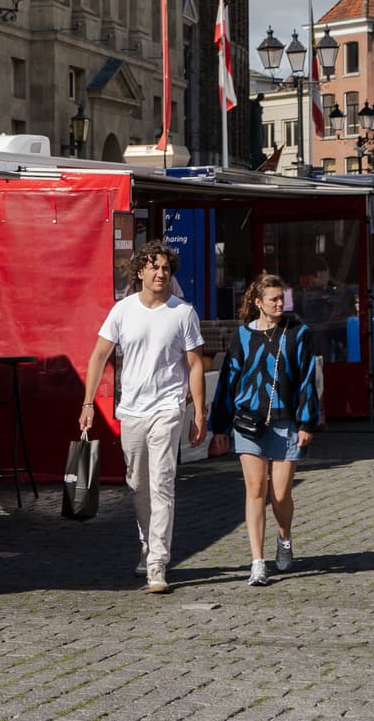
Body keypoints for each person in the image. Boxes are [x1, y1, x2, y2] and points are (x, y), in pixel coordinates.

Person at [79, 240, 206, 596]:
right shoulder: (122, 311)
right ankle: (147, 544)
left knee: (162, 484)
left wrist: (198, 411)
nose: (160, 273)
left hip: (168, 408)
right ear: (140, 272)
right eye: (153, 267)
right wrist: (88, 403)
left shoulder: (183, 312)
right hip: (132, 408)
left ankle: (158, 563)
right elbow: (98, 356)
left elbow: (195, 364)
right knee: (137, 485)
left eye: (165, 268)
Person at [210, 271, 320, 588]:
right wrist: (219, 425)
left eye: (281, 298)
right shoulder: (242, 337)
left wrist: (307, 422)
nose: (279, 304)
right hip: (248, 422)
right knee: (255, 491)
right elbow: (228, 382)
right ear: (258, 302)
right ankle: (257, 561)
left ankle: (284, 539)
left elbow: (307, 379)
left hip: (286, 423)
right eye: (273, 299)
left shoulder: (298, 333)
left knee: (281, 493)